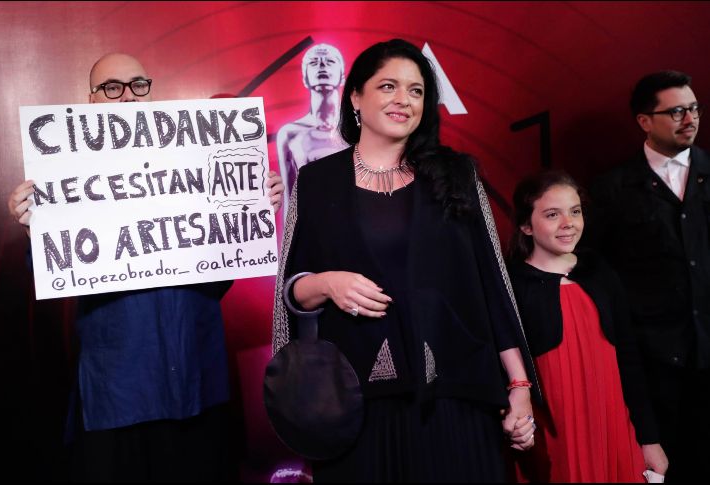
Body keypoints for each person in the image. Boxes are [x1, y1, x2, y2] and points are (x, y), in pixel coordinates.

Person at [7, 52, 284, 482]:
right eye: (112, 88)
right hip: (117, 390)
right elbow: (58, 282)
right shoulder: (64, 175)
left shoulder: (195, 160)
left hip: (194, 380)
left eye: (139, 85)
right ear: (91, 100)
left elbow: (217, 280)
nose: (128, 98)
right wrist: (36, 230)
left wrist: (249, 211)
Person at [271, 38, 538, 482]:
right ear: (355, 96)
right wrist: (329, 283)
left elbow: (493, 286)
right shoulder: (317, 182)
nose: (404, 100)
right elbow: (291, 290)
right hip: (355, 404)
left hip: (457, 398)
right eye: (389, 86)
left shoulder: (457, 175)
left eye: (416, 91)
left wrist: (521, 387)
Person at [585, 70, 710, 483]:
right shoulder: (611, 190)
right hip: (655, 367)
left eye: (693, 108)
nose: (689, 118)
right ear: (644, 121)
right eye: (675, 111)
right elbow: (593, 269)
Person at [507, 170, 668, 482]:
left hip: (612, 423)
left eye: (575, 211)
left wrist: (649, 439)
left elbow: (630, 361)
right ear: (526, 225)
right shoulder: (512, 284)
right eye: (552, 214)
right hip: (554, 432)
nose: (568, 223)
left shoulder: (599, 271)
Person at [276, 43, 348, 211]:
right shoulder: (290, 134)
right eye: (314, 62)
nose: (322, 66)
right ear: (304, 77)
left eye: (329, 61)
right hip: (310, 230)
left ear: (342, 76)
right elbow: (290, 202)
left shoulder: (358, 131)